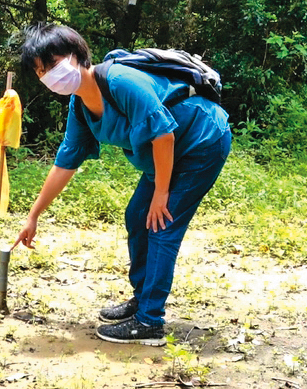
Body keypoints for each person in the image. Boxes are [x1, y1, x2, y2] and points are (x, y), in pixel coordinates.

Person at [13, 23, 231, 346]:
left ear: (76, 56)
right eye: (41, 71)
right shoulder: (80, 108)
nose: (49, 76)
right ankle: (143, 299)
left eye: (52, 64)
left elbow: (164, 134)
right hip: (169, 151)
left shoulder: (120, 81)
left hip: (201, 139)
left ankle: (150, 321)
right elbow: (65, 163)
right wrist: (33, 215)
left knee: (161, 222)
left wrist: (161, 193)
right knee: (136, 215)